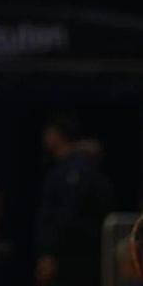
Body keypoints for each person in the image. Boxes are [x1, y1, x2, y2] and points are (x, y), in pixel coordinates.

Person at [35, 114, 114, 286]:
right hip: (73, 256)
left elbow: (67, 214)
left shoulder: (77, 170)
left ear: (57, 134)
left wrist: (51, 253)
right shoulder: (63, 168)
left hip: (73, 258)